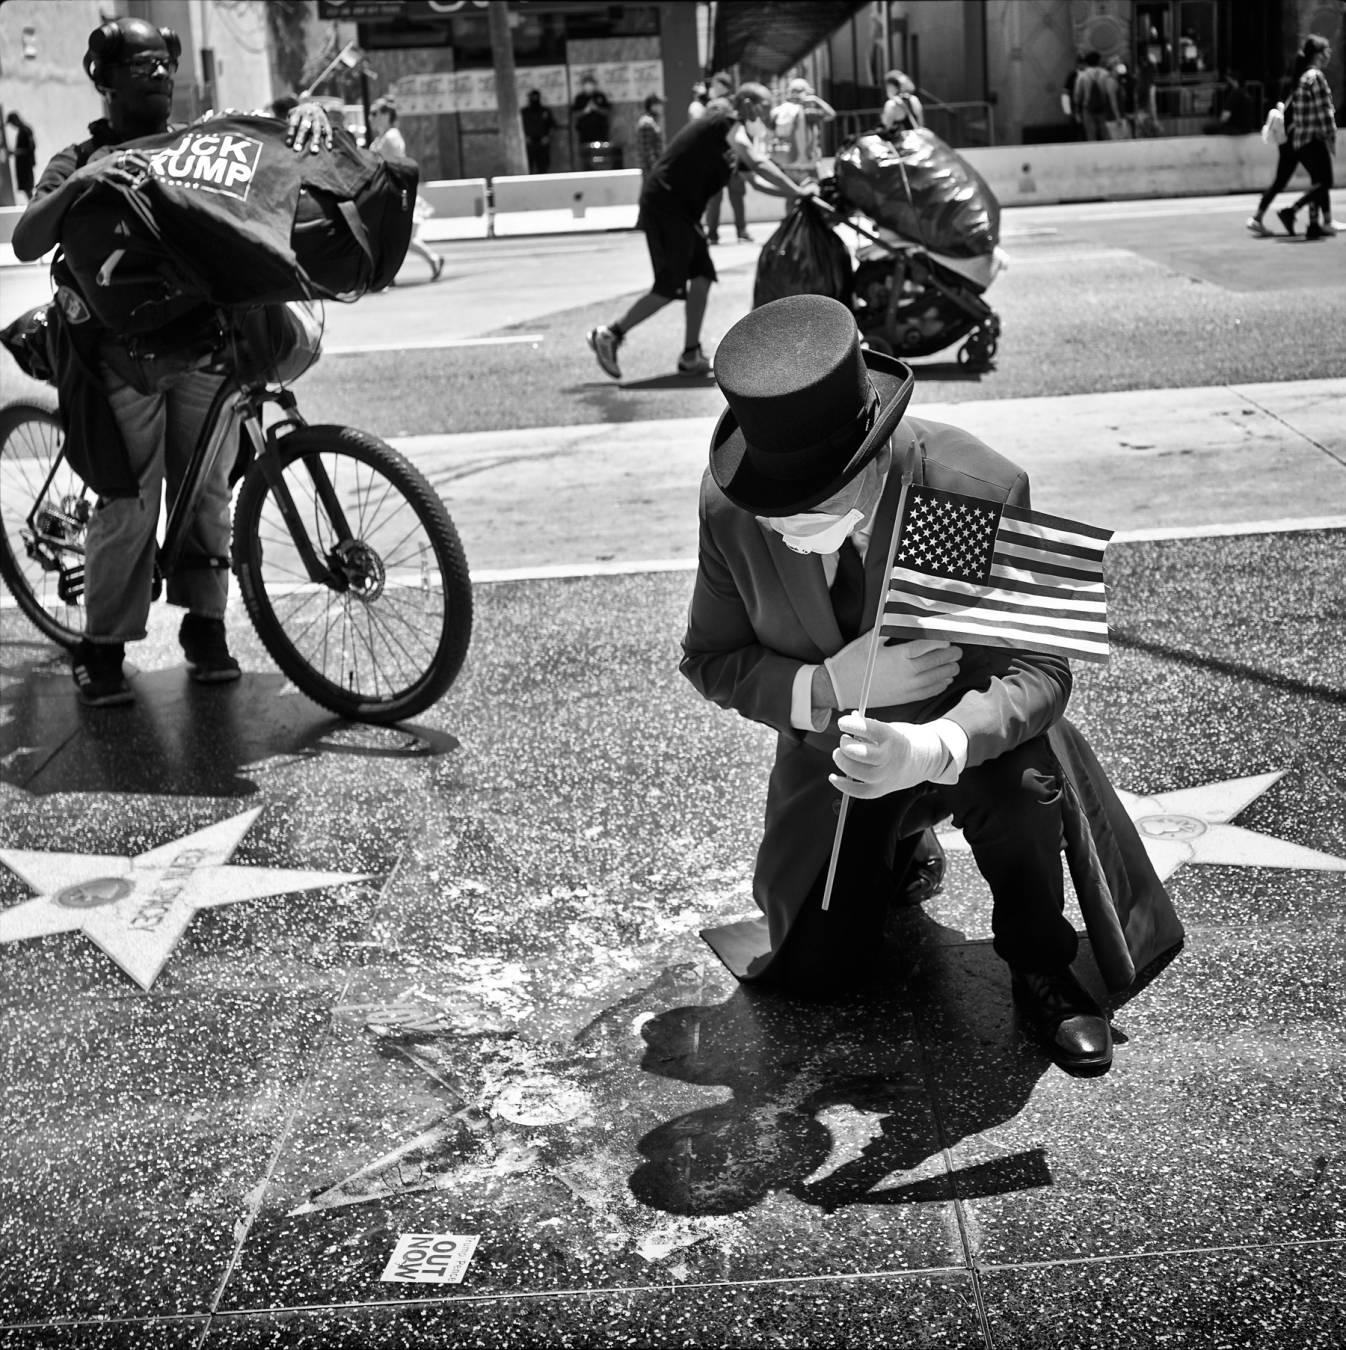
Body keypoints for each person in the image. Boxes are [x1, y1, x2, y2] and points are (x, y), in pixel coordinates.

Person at [681, 295, 1184, 1073]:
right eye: (774, 508)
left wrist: (931, 746)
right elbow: (710, 661)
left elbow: (1040, 669)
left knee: (1023, 785)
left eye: (808, 506)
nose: (783, 525)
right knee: (819, 976)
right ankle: (902, 851)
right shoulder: (737, 507)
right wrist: (826, 681)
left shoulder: (966, 488)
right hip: (836, 770)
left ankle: (1040, 965)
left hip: (977, 748)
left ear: (870, 457)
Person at [11, 15, 332, 707]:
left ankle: (205, 625)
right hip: (119, 358)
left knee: (207, 491)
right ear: (105, 78)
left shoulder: (200, 142)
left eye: (163, 62)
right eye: (138, 65)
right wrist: (82, 184)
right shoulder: (78, 155)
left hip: (206, 348)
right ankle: (103, 647)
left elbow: (272, 144)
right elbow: (28, 240)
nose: (156, 74)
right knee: (130, 504)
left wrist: (307, 114)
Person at [585, 83, 817, 382]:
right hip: (667, 204)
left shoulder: (732, 142)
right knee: (670, 284)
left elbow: (755, 181)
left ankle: (690, 354)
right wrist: (798, 190)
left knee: (702, 277)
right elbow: (759, 164)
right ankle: (610, 334)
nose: (767, 113)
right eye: (763, 106)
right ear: (746, 104)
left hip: (683, 212)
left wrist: (796, 195)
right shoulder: (724, 123)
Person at [368, 96, 443, 280]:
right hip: (387, 195)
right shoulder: (382, 137)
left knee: (402, 238)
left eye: (375, 113)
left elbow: (397, 166)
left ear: (386, 115)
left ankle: (431, 260)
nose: (371, 117)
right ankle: (386, 275)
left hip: (396, 195)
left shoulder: (391, 137)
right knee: (389, 237)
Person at [1276, 35, 1337, 240]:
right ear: (1318, 55)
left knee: (1317, 181)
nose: (1328, 55)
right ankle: (1292, 210)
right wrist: (1331, 135)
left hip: (1302, 139)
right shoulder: (1315, 77)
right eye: (1326, 51)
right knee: (1325, 182)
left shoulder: (1303, 77)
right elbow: (1324, 112)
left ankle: (1313, 224)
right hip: (1313, 138)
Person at [1248, 55, 1308, 237]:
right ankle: (1314, 218)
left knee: (1281, 182)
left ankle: (1258, 217)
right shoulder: (1301, 87)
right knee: (1321, 178)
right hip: (1295, 143)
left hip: (1287, 144)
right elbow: (1292, 117)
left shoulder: (1288, 86)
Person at [699, 72, 748, 244]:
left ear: (723, 86)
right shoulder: (734, 104)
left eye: (715, 84)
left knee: (716, 198)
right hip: (732, 155)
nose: (712, 87)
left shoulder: (714, 105)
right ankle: (740, 232)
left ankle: (713, 234)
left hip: (719, 157)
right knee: (735, 196)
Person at [768, 76, 837, 183]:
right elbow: (831, 114)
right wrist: (816, 99)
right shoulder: (807, 113)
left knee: (793, 195)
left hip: (786, 161)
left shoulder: (778, 112)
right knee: (814, 194)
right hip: (807, 164)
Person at [1072, 51, 1119, 141]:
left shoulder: (1082, 75)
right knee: (1105, 133)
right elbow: (1110, 92)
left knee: (1091, 134)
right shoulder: (1105, 74)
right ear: (1098, 61)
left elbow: (1077, 94)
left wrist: (1077, 110)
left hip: (1087, 108)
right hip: (1103, 107)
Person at [571, 72, 612, 169]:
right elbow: (574, 114)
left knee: (600, 158)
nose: (589, 86)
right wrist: (585, 111)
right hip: (585, 134)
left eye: (591, 83)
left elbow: (608, 111)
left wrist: (596, 108)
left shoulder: (600, 96)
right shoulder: (579, 98)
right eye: (586, 84)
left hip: (600, 133)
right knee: (586, 160)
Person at [521, 88, 557, 174]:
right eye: (532, 97)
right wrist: (524, 138)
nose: (534, 99)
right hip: (529, 144)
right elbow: (519, 128)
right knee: (528, 168)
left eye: (536, 97)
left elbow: (553, 126)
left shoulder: (545, 111)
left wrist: (547, 138)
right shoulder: (524, 112)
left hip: (542, 143)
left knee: (543, 167)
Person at [5, 111, 37, 201]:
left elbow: (30, 148)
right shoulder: (21, 131)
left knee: (28, 188)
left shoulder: (26, 130)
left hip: (26, 165)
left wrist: (16, 152)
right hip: (22, 165)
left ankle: (34, 206)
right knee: (26, 188)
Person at [635, 93, 665, 181]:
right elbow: (647, 150)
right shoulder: (647, 123)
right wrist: (655, 167)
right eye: (660, 104)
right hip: (650, 169)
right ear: (653, 106)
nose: (662, 107)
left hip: (652, 168)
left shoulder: (651, 122)